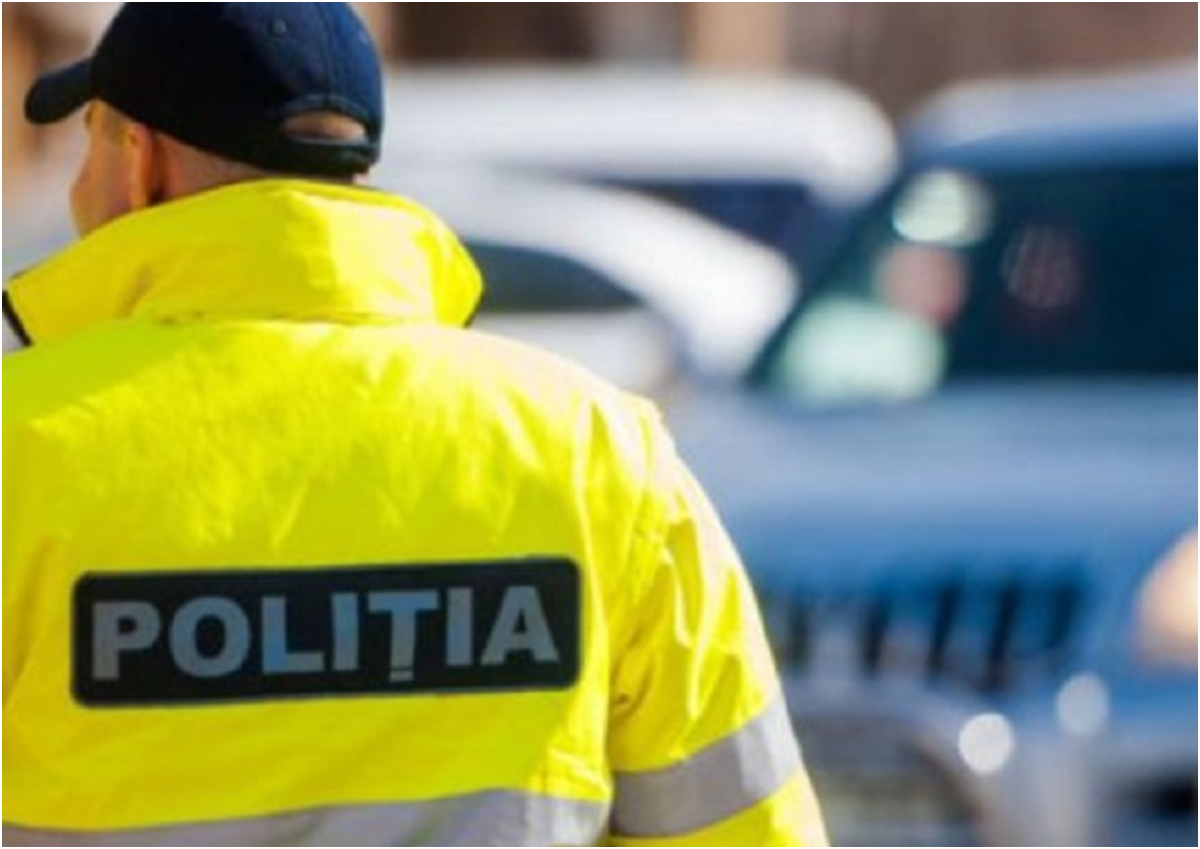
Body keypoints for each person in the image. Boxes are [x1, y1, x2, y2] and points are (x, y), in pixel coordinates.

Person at [3, 5, 827, 846]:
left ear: (140, 162)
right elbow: (744, 827)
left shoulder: (19, 449)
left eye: (90, 141)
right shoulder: (599, 456)